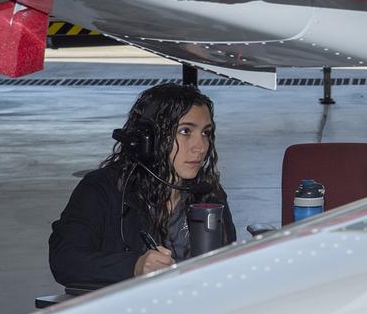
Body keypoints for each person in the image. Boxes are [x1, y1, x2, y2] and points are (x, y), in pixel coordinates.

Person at [48, 83, 235, 288]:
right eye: (185, 131)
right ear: (150, 139)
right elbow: (65, 260)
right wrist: (134, 266)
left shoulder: (208, 194)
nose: (200, 147)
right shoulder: (102, 190)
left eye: (206, 133)